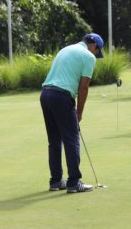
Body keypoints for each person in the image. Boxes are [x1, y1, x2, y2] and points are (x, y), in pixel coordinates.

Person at [40, 33, 104, 193]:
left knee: (54, 140)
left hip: (45, 94)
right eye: (97, 51)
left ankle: (55, 181)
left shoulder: (66, 49)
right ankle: (74, 182)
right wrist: (79, 113)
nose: (96, 54)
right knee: (71, 138)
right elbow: (83, 88)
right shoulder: (89, 56)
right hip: (61, 96)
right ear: (94, 46)